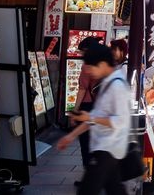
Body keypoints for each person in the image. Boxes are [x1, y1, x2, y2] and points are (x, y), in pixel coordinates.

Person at [57, 44, 131, 195]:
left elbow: (120, 121)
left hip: (108, 148)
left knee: (87, 191)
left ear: (103, 64)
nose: (89, 72)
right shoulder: (107, 83)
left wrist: (90, 117)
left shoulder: (117, 85)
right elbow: (94, 117)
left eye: (91, 67)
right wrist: (71, 136)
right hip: (106, 148)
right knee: (115, 190)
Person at [73, 37, 101, 174]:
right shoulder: (105, 64)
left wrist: (75, 109)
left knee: (85, 142)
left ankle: (89, 175)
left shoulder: (87, 66)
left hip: (88, 105)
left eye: (82, 52)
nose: (81, 55)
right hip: (101, 107)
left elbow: (82, 89)